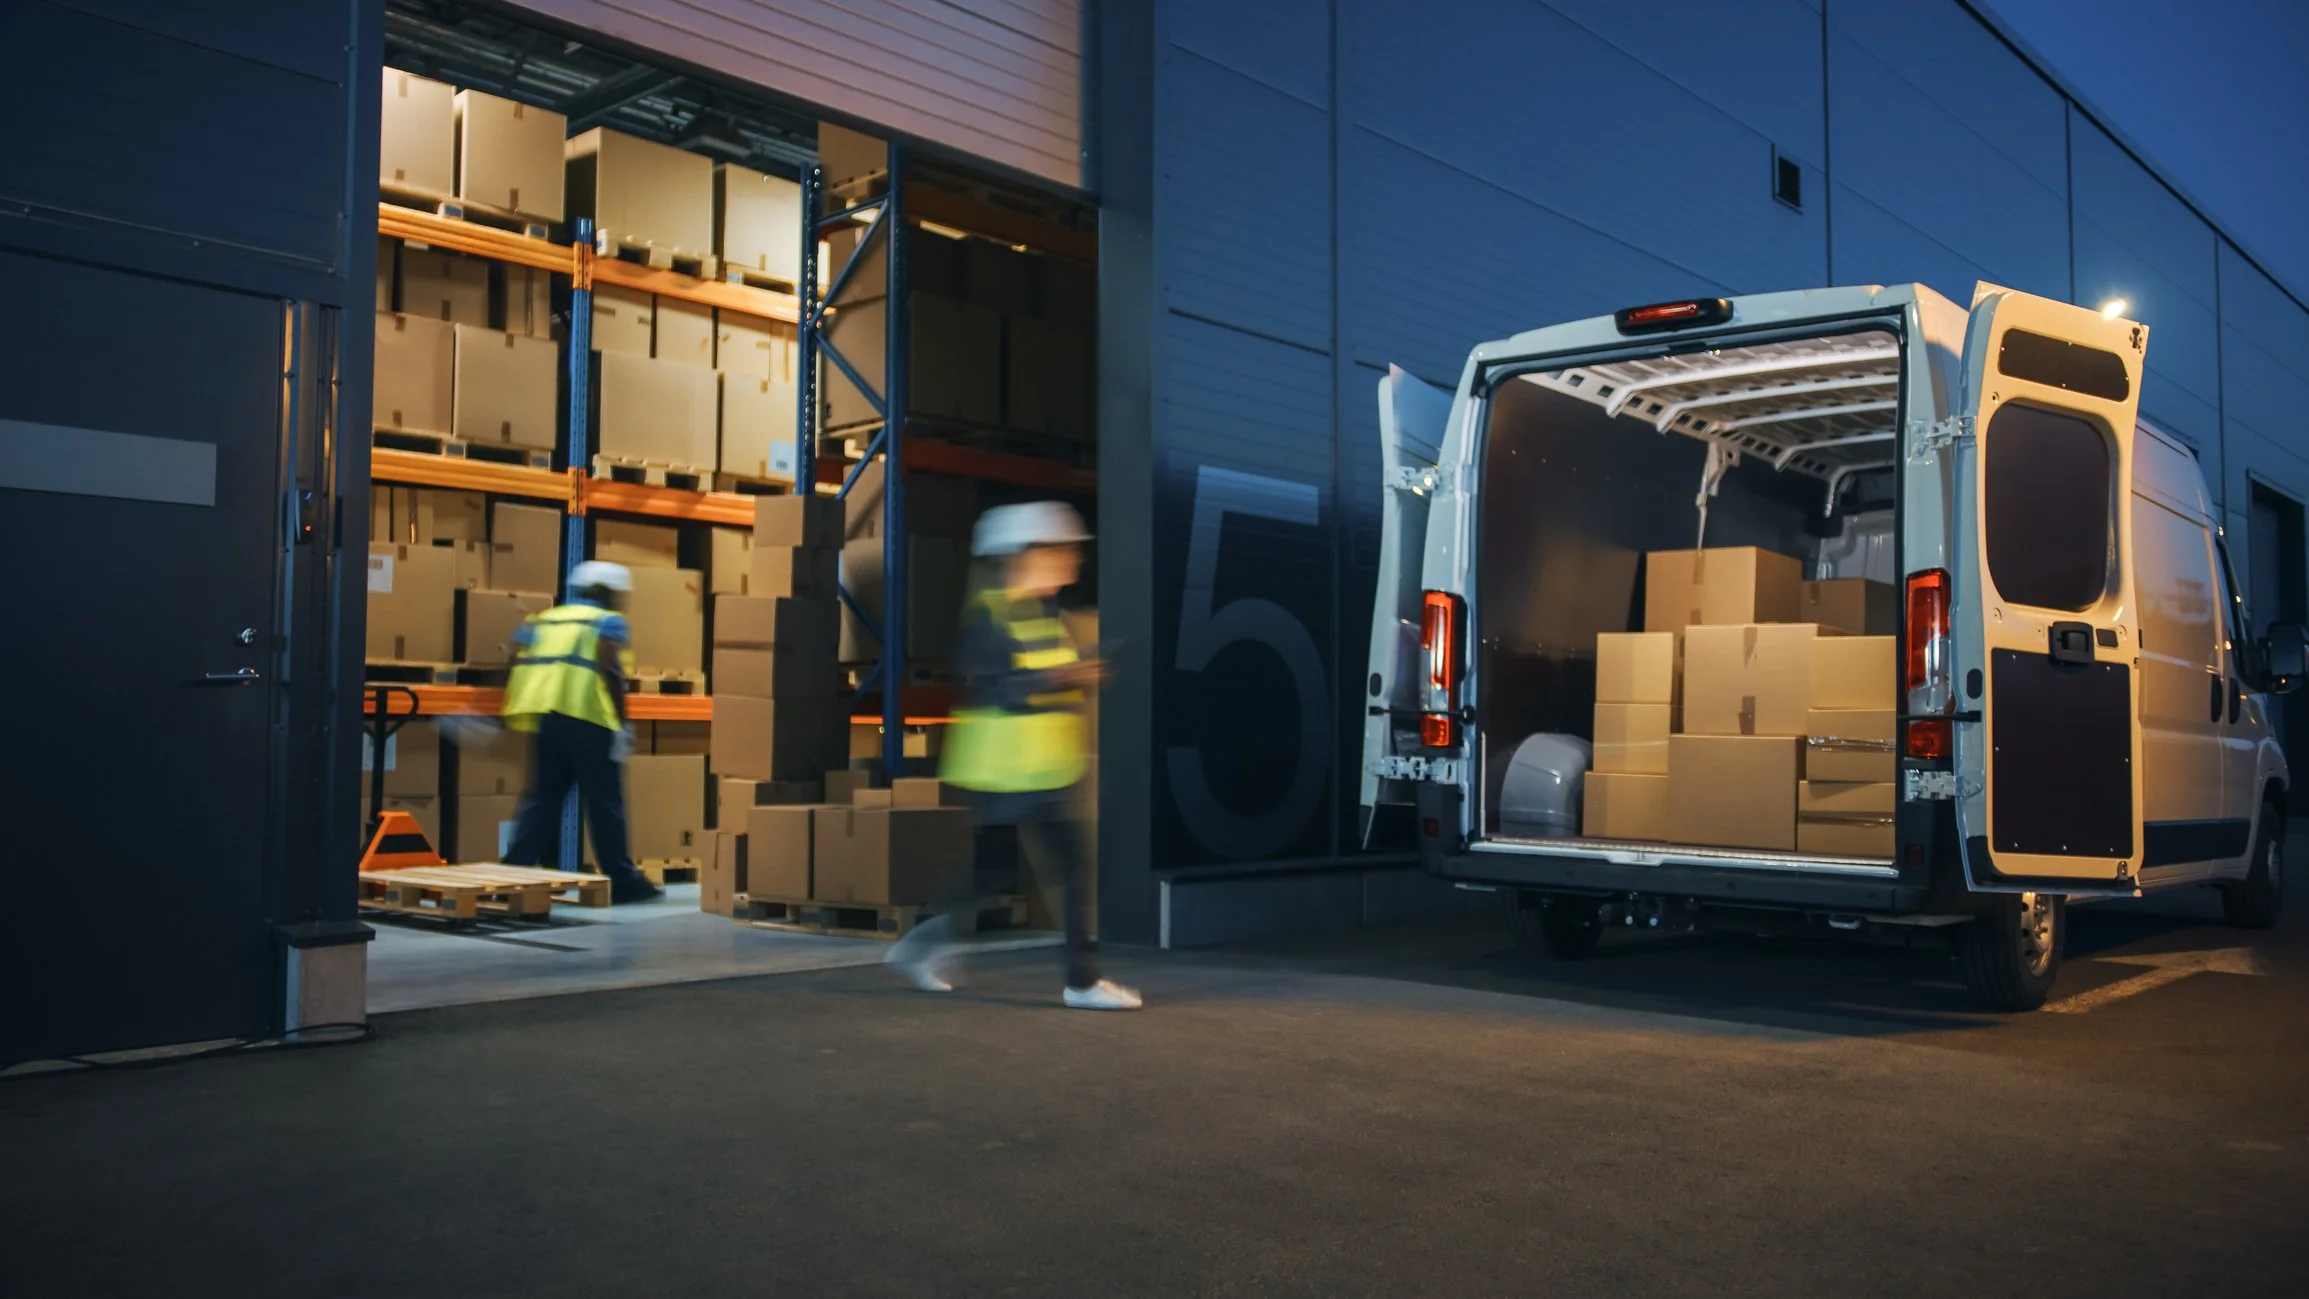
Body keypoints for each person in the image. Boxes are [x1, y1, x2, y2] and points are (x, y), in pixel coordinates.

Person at [885, 502, 1140, 1010]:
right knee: (1066, 867)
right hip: (1009, 771)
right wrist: (1067, 677)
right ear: (1024, 556)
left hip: (1044, 768)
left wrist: (1078, 678)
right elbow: (997, 687)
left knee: (996, 873)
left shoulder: (1047, 615)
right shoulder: (989, 617)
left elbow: (1041, 684)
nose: (1071, 561)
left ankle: (926, 945)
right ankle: (1081, 982)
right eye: (1060, 551)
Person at [500, 560, 663, 904]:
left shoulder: (544, 619)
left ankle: (512, 873)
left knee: (541, 798)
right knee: (605, 802)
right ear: (607, 592)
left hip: (547, 719)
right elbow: (609, 667)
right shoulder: (608, 622)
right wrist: (622, 724)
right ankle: (622, 881)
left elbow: (513, 656)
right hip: (589, 720)